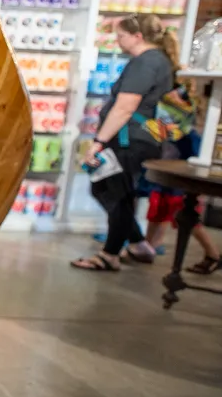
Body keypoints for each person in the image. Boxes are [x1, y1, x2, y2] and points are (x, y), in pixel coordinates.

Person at [72, 14, 177, 271]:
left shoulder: (145, 63)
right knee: (115, 191)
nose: (117, 41)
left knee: (112, 192)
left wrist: (98, 142)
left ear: (137, 36)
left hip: (127, 139)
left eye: (120, 35)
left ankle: (110, 255)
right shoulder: (159, 61)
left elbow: (124, 107)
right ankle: (139, 244)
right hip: (139, 138)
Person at [142, 85, 222, 272]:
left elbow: (194, 161)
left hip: (179, 185)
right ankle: (146, 246)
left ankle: (213, 254)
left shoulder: (189, 136)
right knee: (157, 212)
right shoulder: (168, 131)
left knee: (186, 219)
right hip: (166, 181)